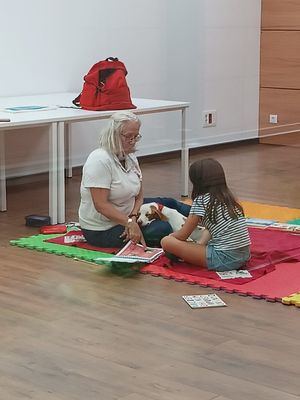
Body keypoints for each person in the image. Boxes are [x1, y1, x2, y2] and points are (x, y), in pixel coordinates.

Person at [78, 110, 190, 248]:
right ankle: (189, 234)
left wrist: (133, 217)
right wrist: (129, 223)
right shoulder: (99, 160)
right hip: (102, 229)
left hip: (129, 213)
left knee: (170, 202)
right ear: (113, 135)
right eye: (128, 137)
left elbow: (139, 196)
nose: (133, 141)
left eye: (136, 136)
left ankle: (212, 218)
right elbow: (101, 205)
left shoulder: (130, 156)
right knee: (162, 229)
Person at [161, 158, 251, 271]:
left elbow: (182, 235)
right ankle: (198, 248)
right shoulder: (228, 198)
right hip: (243, 256)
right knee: (207, 231)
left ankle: (193, 252)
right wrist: (198, 245)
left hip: (223, 259)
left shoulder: (201, 201)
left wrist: (171, 238)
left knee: (166, 242)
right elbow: (210, 229)